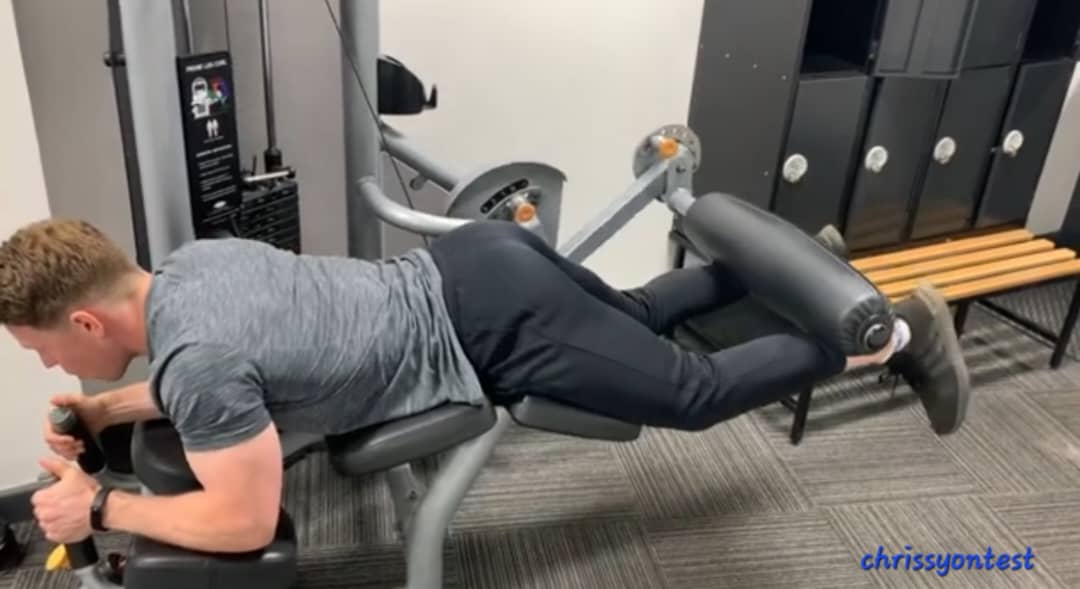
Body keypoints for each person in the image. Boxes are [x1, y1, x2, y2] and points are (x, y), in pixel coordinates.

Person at [0, 218, 968, 554]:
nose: (46, 366)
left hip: (492, 331)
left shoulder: (195, 362)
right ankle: (792, 266)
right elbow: (223, 379)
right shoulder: (188, 268)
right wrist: (106, 407)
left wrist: (102, 507)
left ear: (84, 322)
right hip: (475, 259)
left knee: (693, 391)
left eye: (41, 348)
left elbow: (243, 520)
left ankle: (889, 335)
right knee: (635, 312)